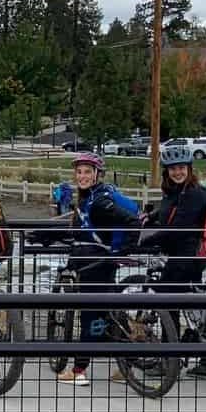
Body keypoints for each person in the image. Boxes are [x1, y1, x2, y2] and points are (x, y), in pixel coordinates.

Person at [49, 151, 140, 386]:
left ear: (97, 174)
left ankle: (79, 370)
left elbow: (131, 221)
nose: (82, 176)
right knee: (107, 312)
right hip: (94, 259)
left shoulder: (99, 200)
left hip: (97, 262)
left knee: (90, 314)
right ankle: (126, 365)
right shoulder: (88, 198)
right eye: (79, 172)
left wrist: (125, 249)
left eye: (87, 172)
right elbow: (87, 230)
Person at [141, 143, 206, 373]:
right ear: (167, 171)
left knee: (165, 303)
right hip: (183, 255)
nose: (177, 172)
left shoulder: (195, 194)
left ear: (189, 168)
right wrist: (149, 217)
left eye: (182, 168)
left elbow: (178, 228)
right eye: (173, 168)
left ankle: (170, 362)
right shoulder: (177, 192)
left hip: (188, 256)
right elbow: (167, 211)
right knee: (189, 305)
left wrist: (146, 240)